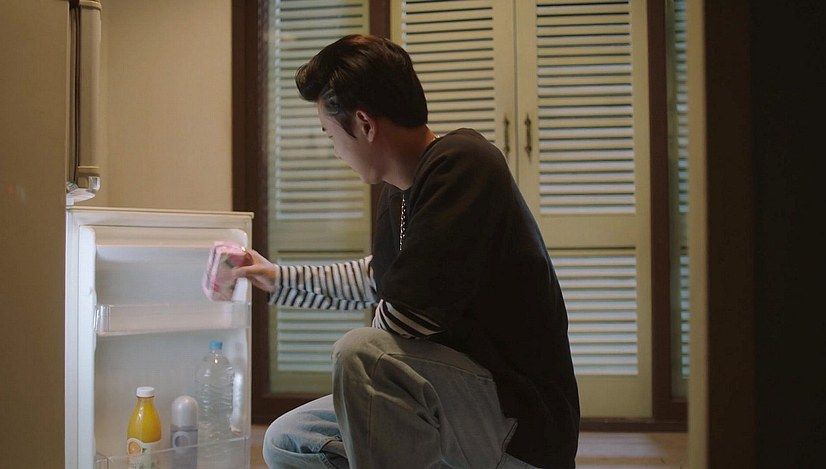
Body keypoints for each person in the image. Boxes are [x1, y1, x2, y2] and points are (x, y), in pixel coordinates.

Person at [235, 34, 580, 469]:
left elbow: (405, 314)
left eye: (329, 133)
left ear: (364, 124)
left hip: (518, 421)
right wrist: (276, 279)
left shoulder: (465, 162)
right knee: (289, 440)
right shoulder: (399, 193)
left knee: (365, 353)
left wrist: (365, 375)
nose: (334, 149)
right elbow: (379, 278)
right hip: (456, 403)